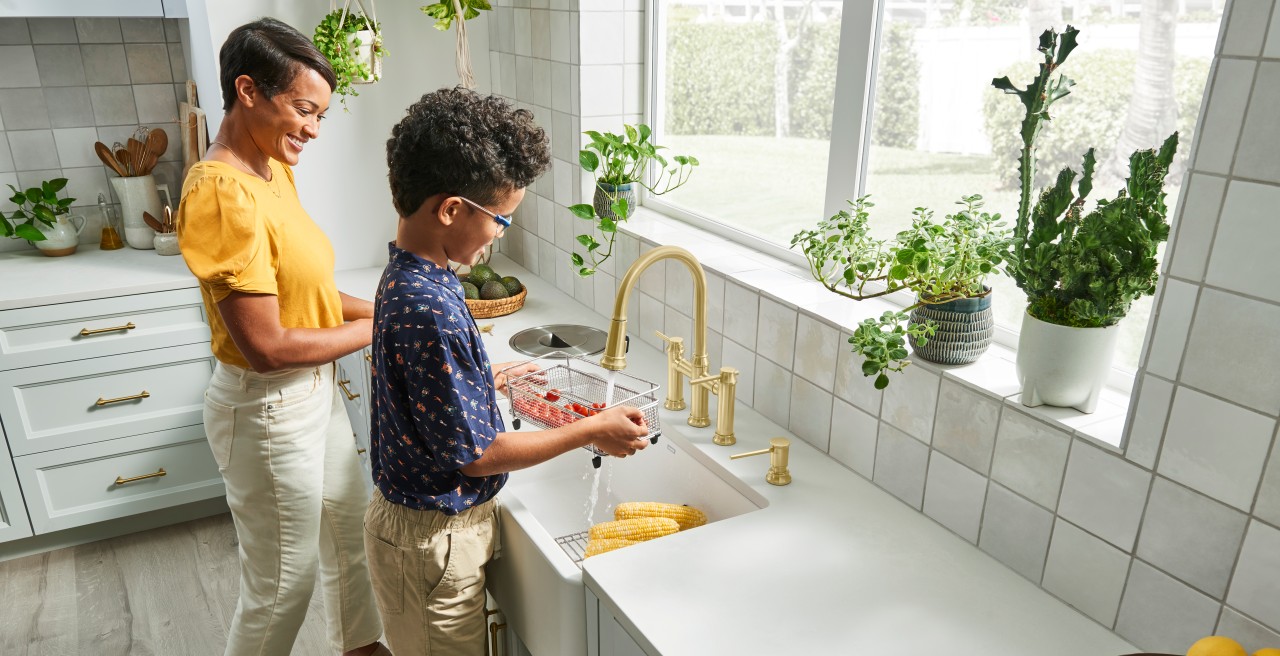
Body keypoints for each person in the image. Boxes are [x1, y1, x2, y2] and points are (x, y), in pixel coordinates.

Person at [364, 87, 652, 655]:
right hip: (432, 544)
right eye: (501, 219)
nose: (501, 233)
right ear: (450, 209)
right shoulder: (431, 307)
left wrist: (480, 376)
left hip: (424, 537)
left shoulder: (417, 274)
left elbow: (422, 385)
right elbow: (478, 456)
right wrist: (590, 430)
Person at [176, 18, 388, 656]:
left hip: (312, 393)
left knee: (350, 531)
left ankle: (362, 647)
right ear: (247, 90)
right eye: (302, 110)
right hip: (266, 409)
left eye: (319, 114)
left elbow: (308, 295)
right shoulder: (220, 192)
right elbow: (265, 345)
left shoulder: (271, 168)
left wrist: (391, 304)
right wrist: (381, 327)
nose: (313, 130)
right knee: (280, 584)